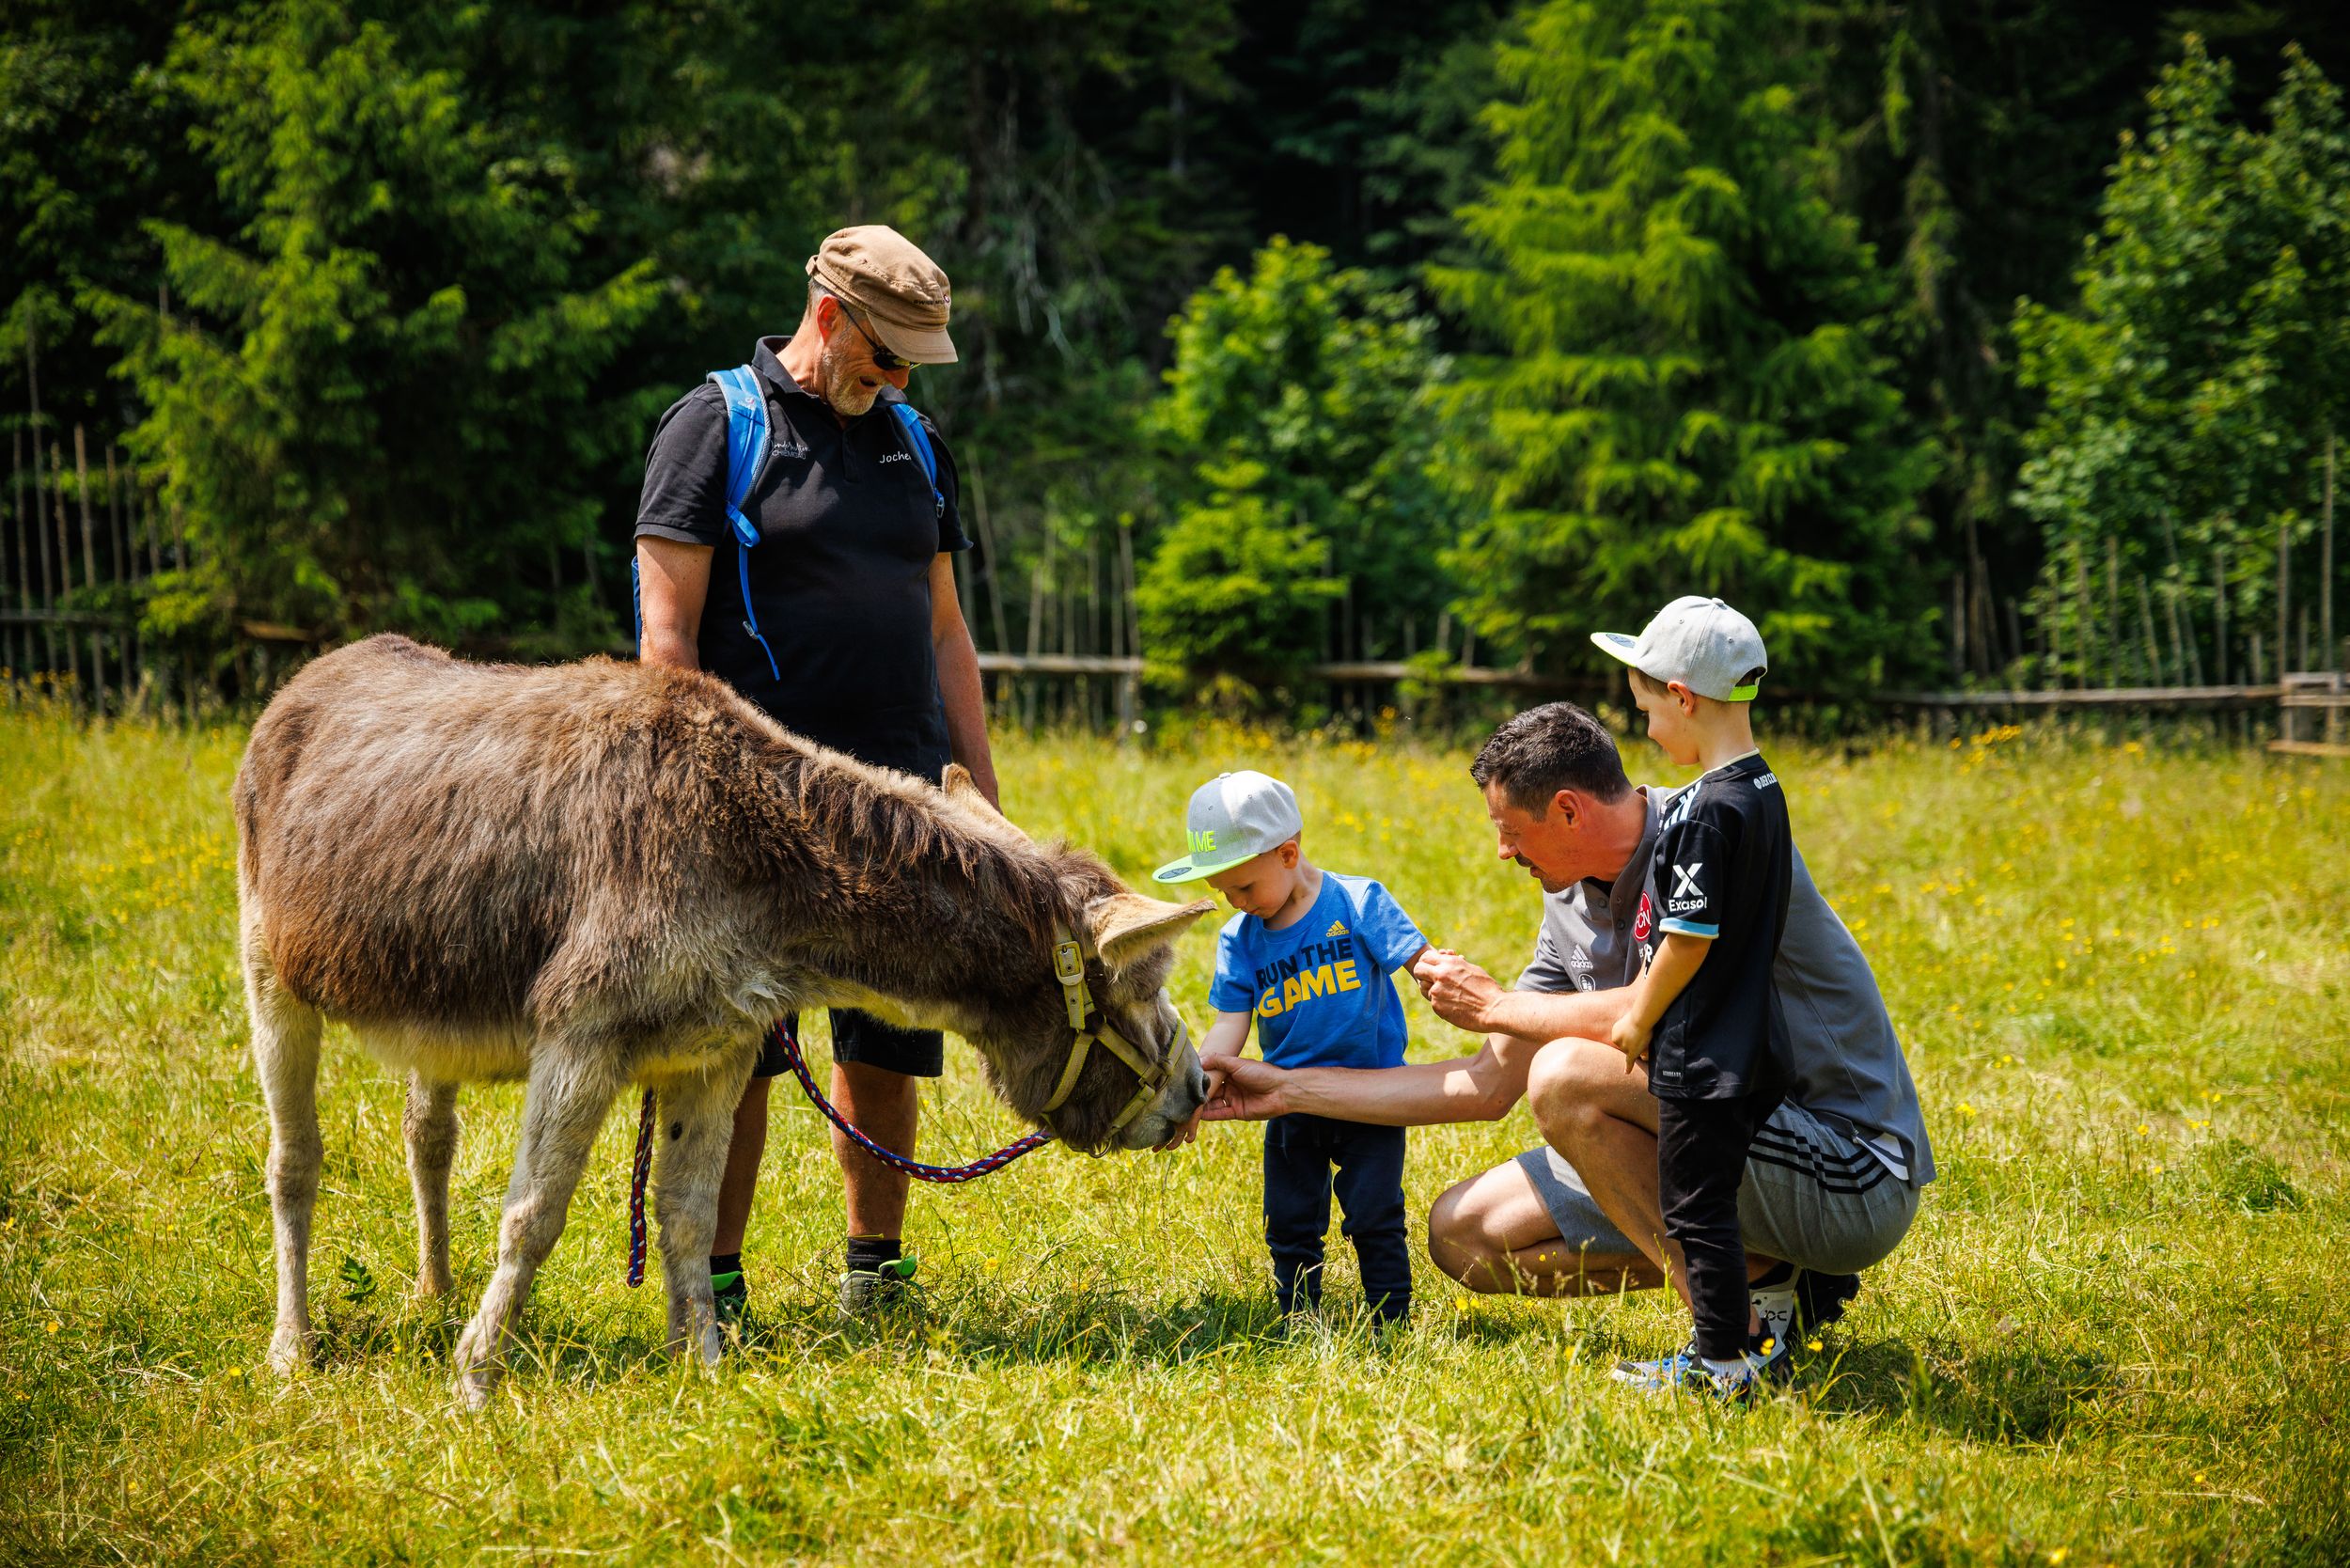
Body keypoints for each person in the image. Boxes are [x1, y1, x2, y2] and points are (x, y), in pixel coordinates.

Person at [1200, 702, 1933, 1377]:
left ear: (1568, 810)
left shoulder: (1713, 839)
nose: (1501, 852)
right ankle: (1769, 1279)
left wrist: (1497, 1004)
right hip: (1717, 1144)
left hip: (1847, 1169)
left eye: (1510, 831)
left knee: (1567, 1075)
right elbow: (1485, 1087)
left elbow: (1666, 1017)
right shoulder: (1569, 901)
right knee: (1464, 1234)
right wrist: (1288, 1089)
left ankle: (1731, 1337)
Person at [634, 225, 998, 1321]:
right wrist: (694, 815)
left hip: (899, 809)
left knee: (890, 1040)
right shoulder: (715, 428)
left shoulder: (913, 442)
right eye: (885, 357)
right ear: (829, 317)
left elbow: (947, 631)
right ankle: (718, 1282)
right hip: (755, 817)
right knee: (731, 1057)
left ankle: (875, 1271)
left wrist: (976, 789)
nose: (894, 384)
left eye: (910, 370)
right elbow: (666, 643)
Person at [1588, 597, 1794, 1398]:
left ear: (1683, 696)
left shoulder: (1708, 809)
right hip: (1749, 1041)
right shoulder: (1761, 788)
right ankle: (1762, 1333)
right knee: (1708, 1203)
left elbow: (1689, 938)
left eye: (1646, 708)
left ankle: (1725, 1365)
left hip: (1706, 1050)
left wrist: (1635, 1017)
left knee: (1695, 1213)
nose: (1644, 730)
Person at [1153, 771, 1437, 1326]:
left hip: (1372, 1098)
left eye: (1243, 888)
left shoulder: (1357, 902)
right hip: (1288, 1099)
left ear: (1288, 854)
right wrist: (1202, 1078)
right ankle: (1298, 1314)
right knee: (1289, 1218)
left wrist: (1441, 975)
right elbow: (1230, 1023)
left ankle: (1390, 1317)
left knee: (1376, 1211)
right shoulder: (1241, 937)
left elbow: (1420, 960)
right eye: (1224, 893)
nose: (1236, 903)